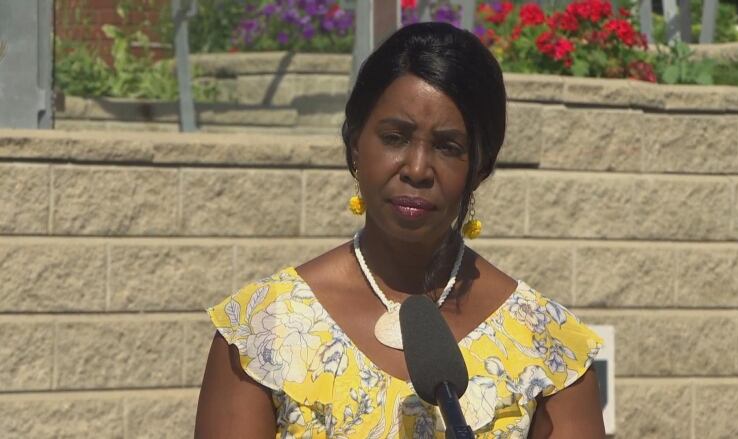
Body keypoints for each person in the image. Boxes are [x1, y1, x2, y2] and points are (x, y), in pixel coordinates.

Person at [195, 22, 605, 439]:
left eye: (448, 146)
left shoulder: (549, 346)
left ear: (479, 168)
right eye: (395, 137)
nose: (416, 168)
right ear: (356, 145)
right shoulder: (262, 327)